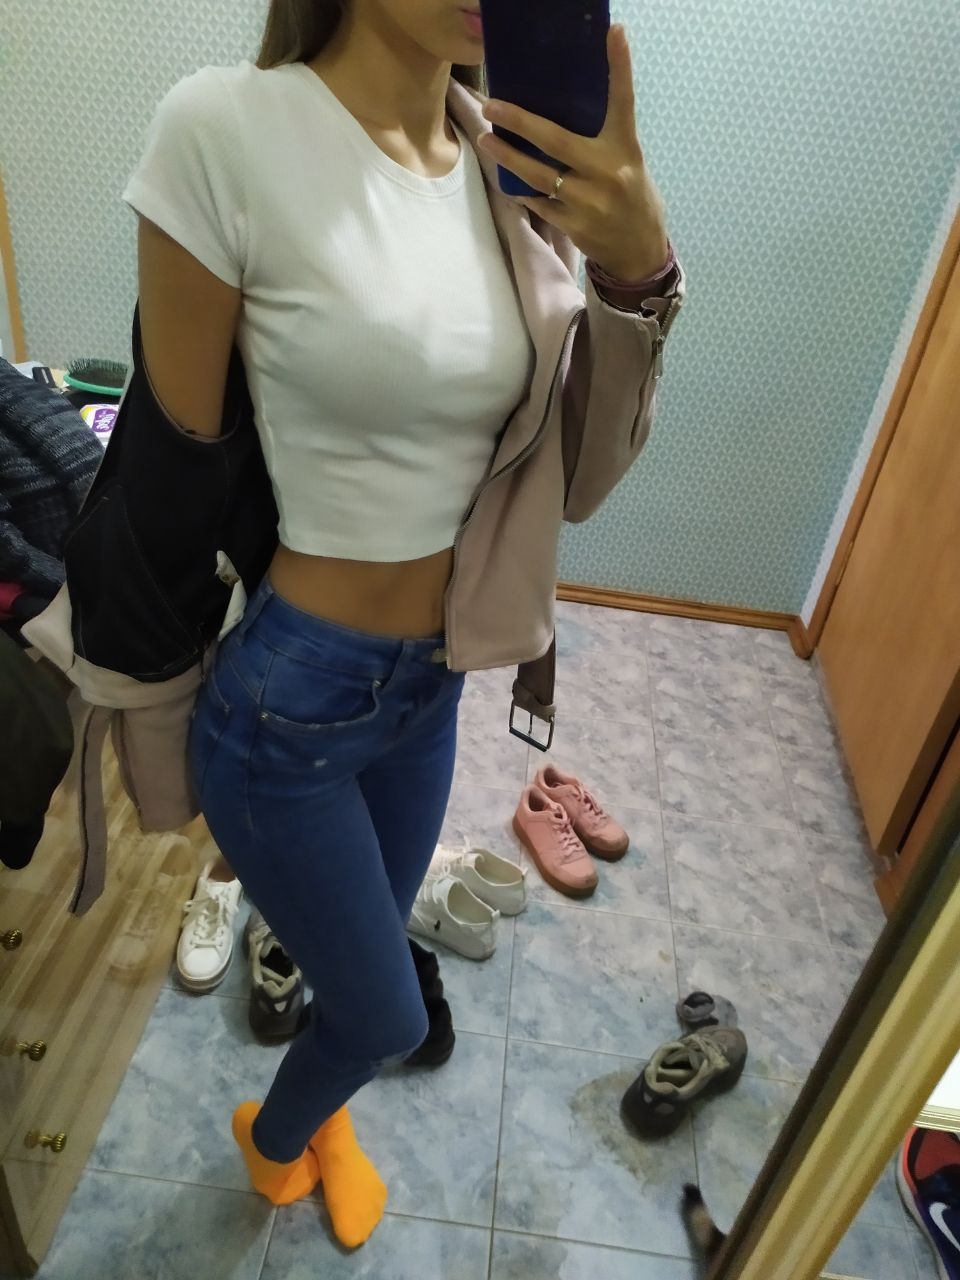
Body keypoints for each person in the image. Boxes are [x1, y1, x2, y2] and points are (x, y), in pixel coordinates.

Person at [123, 0, 682, 1249]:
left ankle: (320, 1117)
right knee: (387, 1015)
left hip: (436, 683)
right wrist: (152, 716)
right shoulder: (224, 130)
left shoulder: (508, 165)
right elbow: (175, 477)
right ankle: (276, 1140)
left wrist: (638, 269)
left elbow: (578, 475)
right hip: (289, 709)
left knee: (357, 977)